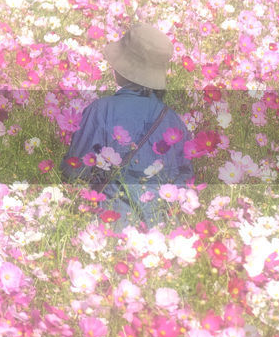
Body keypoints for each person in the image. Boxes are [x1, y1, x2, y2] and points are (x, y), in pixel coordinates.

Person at [63, 23, 193, 228]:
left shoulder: (101, 110)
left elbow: (74, 171)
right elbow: (184, 179)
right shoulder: (173, 120)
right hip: (161, 232)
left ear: (121, 69)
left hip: (110, 227)